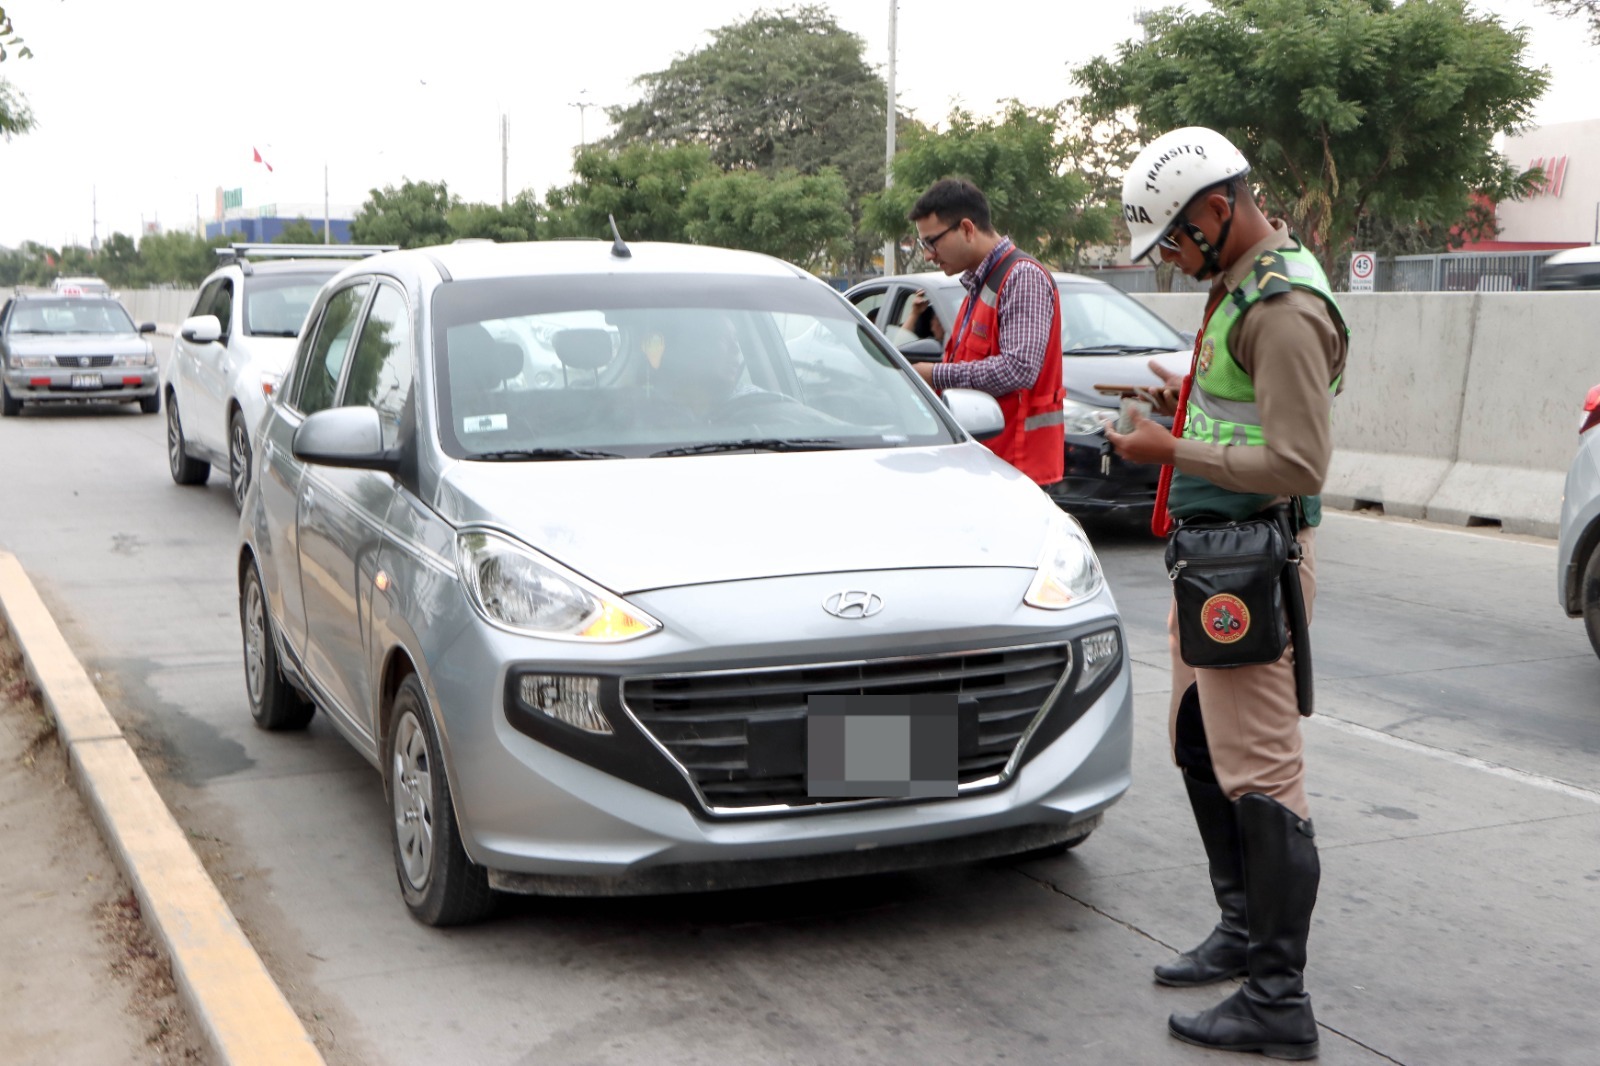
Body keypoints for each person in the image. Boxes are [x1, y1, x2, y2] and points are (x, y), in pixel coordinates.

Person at [1104, 126, 1348, 1060]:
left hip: (1252, 561)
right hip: (1212, 557)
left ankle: (1277, 999)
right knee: (1199, 744)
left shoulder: (1282, 306)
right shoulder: (1239, 283)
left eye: (1172, 238)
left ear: (1217, 210)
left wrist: (1171, 451)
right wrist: (1183, 404)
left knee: (1263, 773)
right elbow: (1244, 410)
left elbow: (1296, 459)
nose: (1167, 258)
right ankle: (1241, 929)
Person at [908, 179, 1065, 485]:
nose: (928, 254)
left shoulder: (1021, 277)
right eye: (922, 245)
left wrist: (935, 375)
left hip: (1018, 470)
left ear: (967, 229)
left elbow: (1019, 369)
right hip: (989, 463)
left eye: (931, 242)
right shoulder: (982, 283)